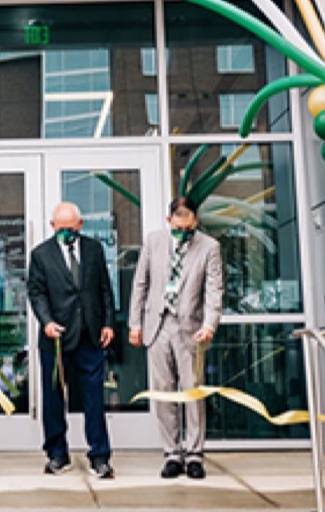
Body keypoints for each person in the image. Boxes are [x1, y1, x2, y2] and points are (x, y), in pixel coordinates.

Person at [128, 197, 223, 480]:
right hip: (158, 325)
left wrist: (209, 325)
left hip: (190, 327)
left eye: (188, 228)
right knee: (164, 392)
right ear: (169, 221)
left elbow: (214, 290)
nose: (183, 233)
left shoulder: (209, 247)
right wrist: (135, 323)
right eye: (178, 228)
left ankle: (194, 453)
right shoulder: (154, 241)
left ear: (195, 221)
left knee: (192, 391)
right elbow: (140, 283)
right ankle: (171, 453)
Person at [27, 201, 116, 479]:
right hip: (57, 337)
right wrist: (46, 322)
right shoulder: (40, 254)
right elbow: (36, 292)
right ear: (53, 227)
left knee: (93, 398)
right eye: (60, 228)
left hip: (90, 335)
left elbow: (105, 289)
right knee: (53, 399)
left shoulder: (93, 249)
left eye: (71, 228)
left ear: (80, 225)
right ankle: (57, 453)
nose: (66, 233)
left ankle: (99, 456)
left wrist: (109, 324)